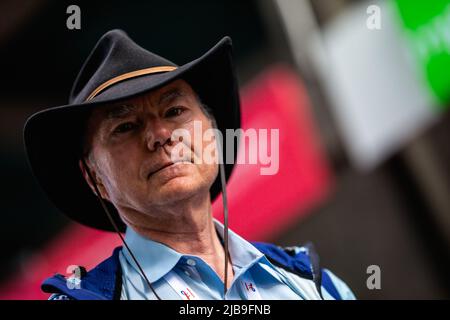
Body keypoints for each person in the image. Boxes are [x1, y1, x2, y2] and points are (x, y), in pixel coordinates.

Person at [24, 29, 355, 300]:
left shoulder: (312, 283)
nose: (160, 135)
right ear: (94, 177)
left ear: (212, 132)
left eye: (174, 111)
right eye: (125, 127)